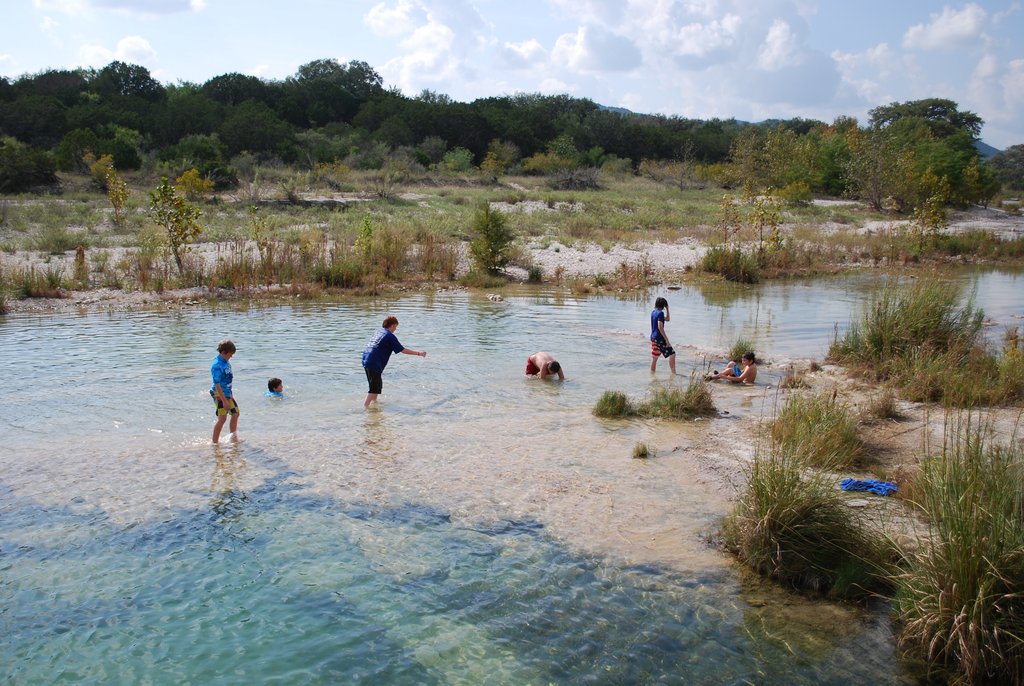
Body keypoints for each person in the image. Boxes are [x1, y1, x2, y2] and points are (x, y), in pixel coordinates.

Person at [362, 315, 426, 408]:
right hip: (374, 363)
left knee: (376, 387)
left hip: (366, 359)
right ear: (392, 326)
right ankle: (365, 408)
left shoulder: (379, 332)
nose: (395, 329)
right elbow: (402, 350)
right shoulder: (389, 335)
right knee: (374, 388)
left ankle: (374, 406)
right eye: (395, 326)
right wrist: (419, 353)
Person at [210, 339, 239, 443]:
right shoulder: (217, 365)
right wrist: (224, 400)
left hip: (227, 392)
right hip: (219, 394)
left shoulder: (226, 362)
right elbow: (217, 384)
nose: (231, 357)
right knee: (222, 419)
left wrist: (230, 395)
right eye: (230, 354)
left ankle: (233, 438)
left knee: (235, 414)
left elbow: (227, 380)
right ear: (223, 352)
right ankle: (214, 443)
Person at [650, 297, 677, 374]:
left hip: (653, 338)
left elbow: (668, 319)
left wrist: (667, 309)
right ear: (663, 305)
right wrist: (667, 340)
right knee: (672, 354)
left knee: (654, 357)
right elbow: (660, 327)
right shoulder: (660, 313)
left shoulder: (653, 312)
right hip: (659, 338)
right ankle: (674, 374)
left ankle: (652, 375)